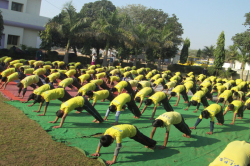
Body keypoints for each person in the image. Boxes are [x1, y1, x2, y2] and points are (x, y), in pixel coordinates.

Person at [91, 124, 156, 165]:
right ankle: (150, 144)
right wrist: (97, 152)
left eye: (111, 143)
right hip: (127, 128)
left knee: (143, 139)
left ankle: (153, 144)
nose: (111, 143)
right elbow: (101, 141)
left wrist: (113, 161)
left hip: (133, 130)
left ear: (111, 140)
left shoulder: (117, 135)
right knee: (141, 140)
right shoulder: (107, 132)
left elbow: (118, 147)